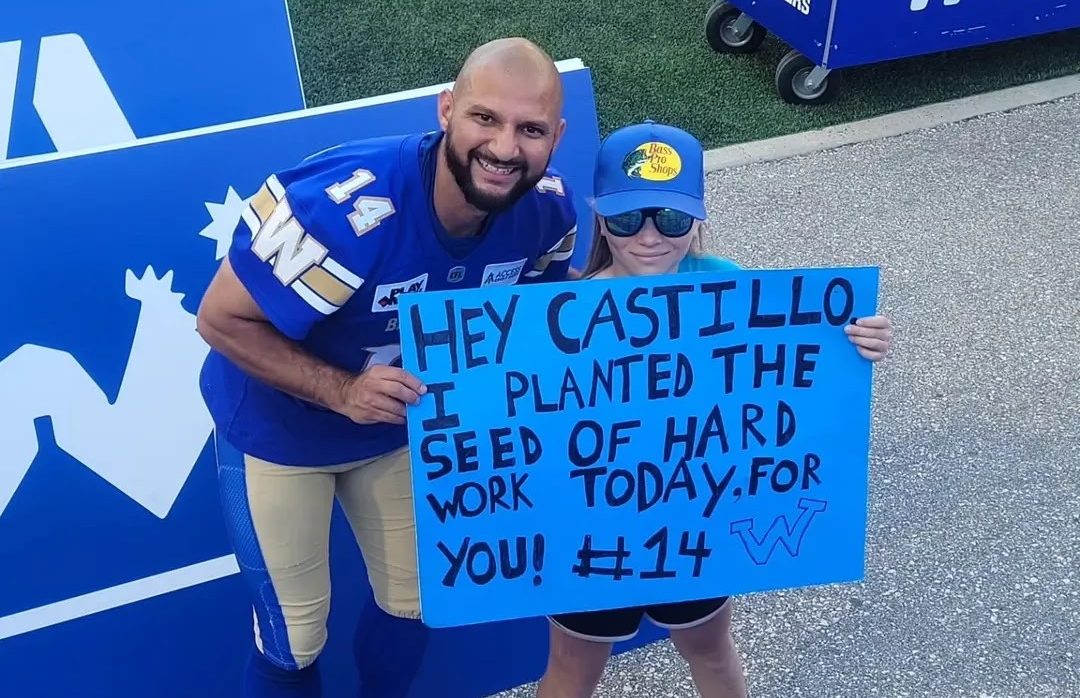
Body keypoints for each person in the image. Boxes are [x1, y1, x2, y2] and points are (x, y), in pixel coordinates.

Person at [195, 38, 579, 698]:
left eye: (531, 129)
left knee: (418, 601)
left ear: (557, 136)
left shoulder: (547, 211)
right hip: (280, 427)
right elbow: (219, 319)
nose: (506, 148)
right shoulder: (346, 213)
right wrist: (339, 389)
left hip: (400, 425)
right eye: (485, 119)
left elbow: (555, 308)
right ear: (446, 110)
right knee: (295, 637)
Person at [536, 120, 893, 698]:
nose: (650, 236)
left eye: (671, 218)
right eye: (628, 218)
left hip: (696, 520)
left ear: (697, 217)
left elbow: (792, 371)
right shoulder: (556, 316)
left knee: (711, 653)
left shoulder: (732, 289)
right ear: (600, 216)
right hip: (591, 530)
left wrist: (855, 342)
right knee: (573, 670)